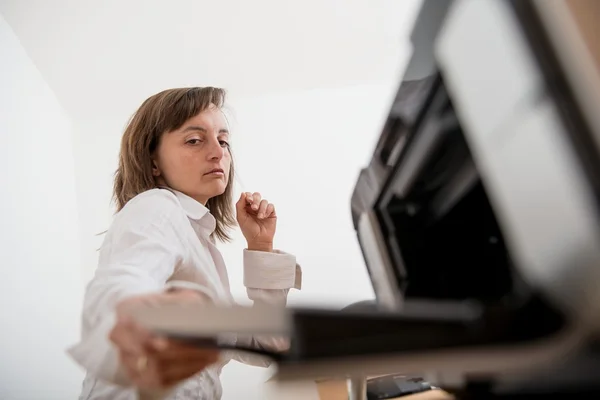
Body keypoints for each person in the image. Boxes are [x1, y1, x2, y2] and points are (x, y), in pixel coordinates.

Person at [68, 87, 302, 400]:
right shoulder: (157, 206)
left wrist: (261, 247)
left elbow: (268, 345)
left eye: (223, 140)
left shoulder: (199, 247)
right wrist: (131, 308)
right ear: (153, 162)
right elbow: (129, 276)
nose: (218, 152)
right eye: (194, 139)